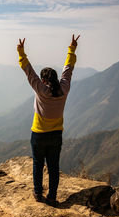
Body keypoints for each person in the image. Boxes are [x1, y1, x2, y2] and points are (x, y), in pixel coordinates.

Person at [17, 34, 80, 207]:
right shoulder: (64, 89)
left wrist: (21, 53)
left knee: (38, 163)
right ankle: (52, 197)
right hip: (56, 135)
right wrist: (72, 49)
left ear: (44, 80)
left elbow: (28, 72)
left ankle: (38, 193)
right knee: (53, 167)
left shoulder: (41, 90)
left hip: (39, 134)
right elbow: (68, 69)